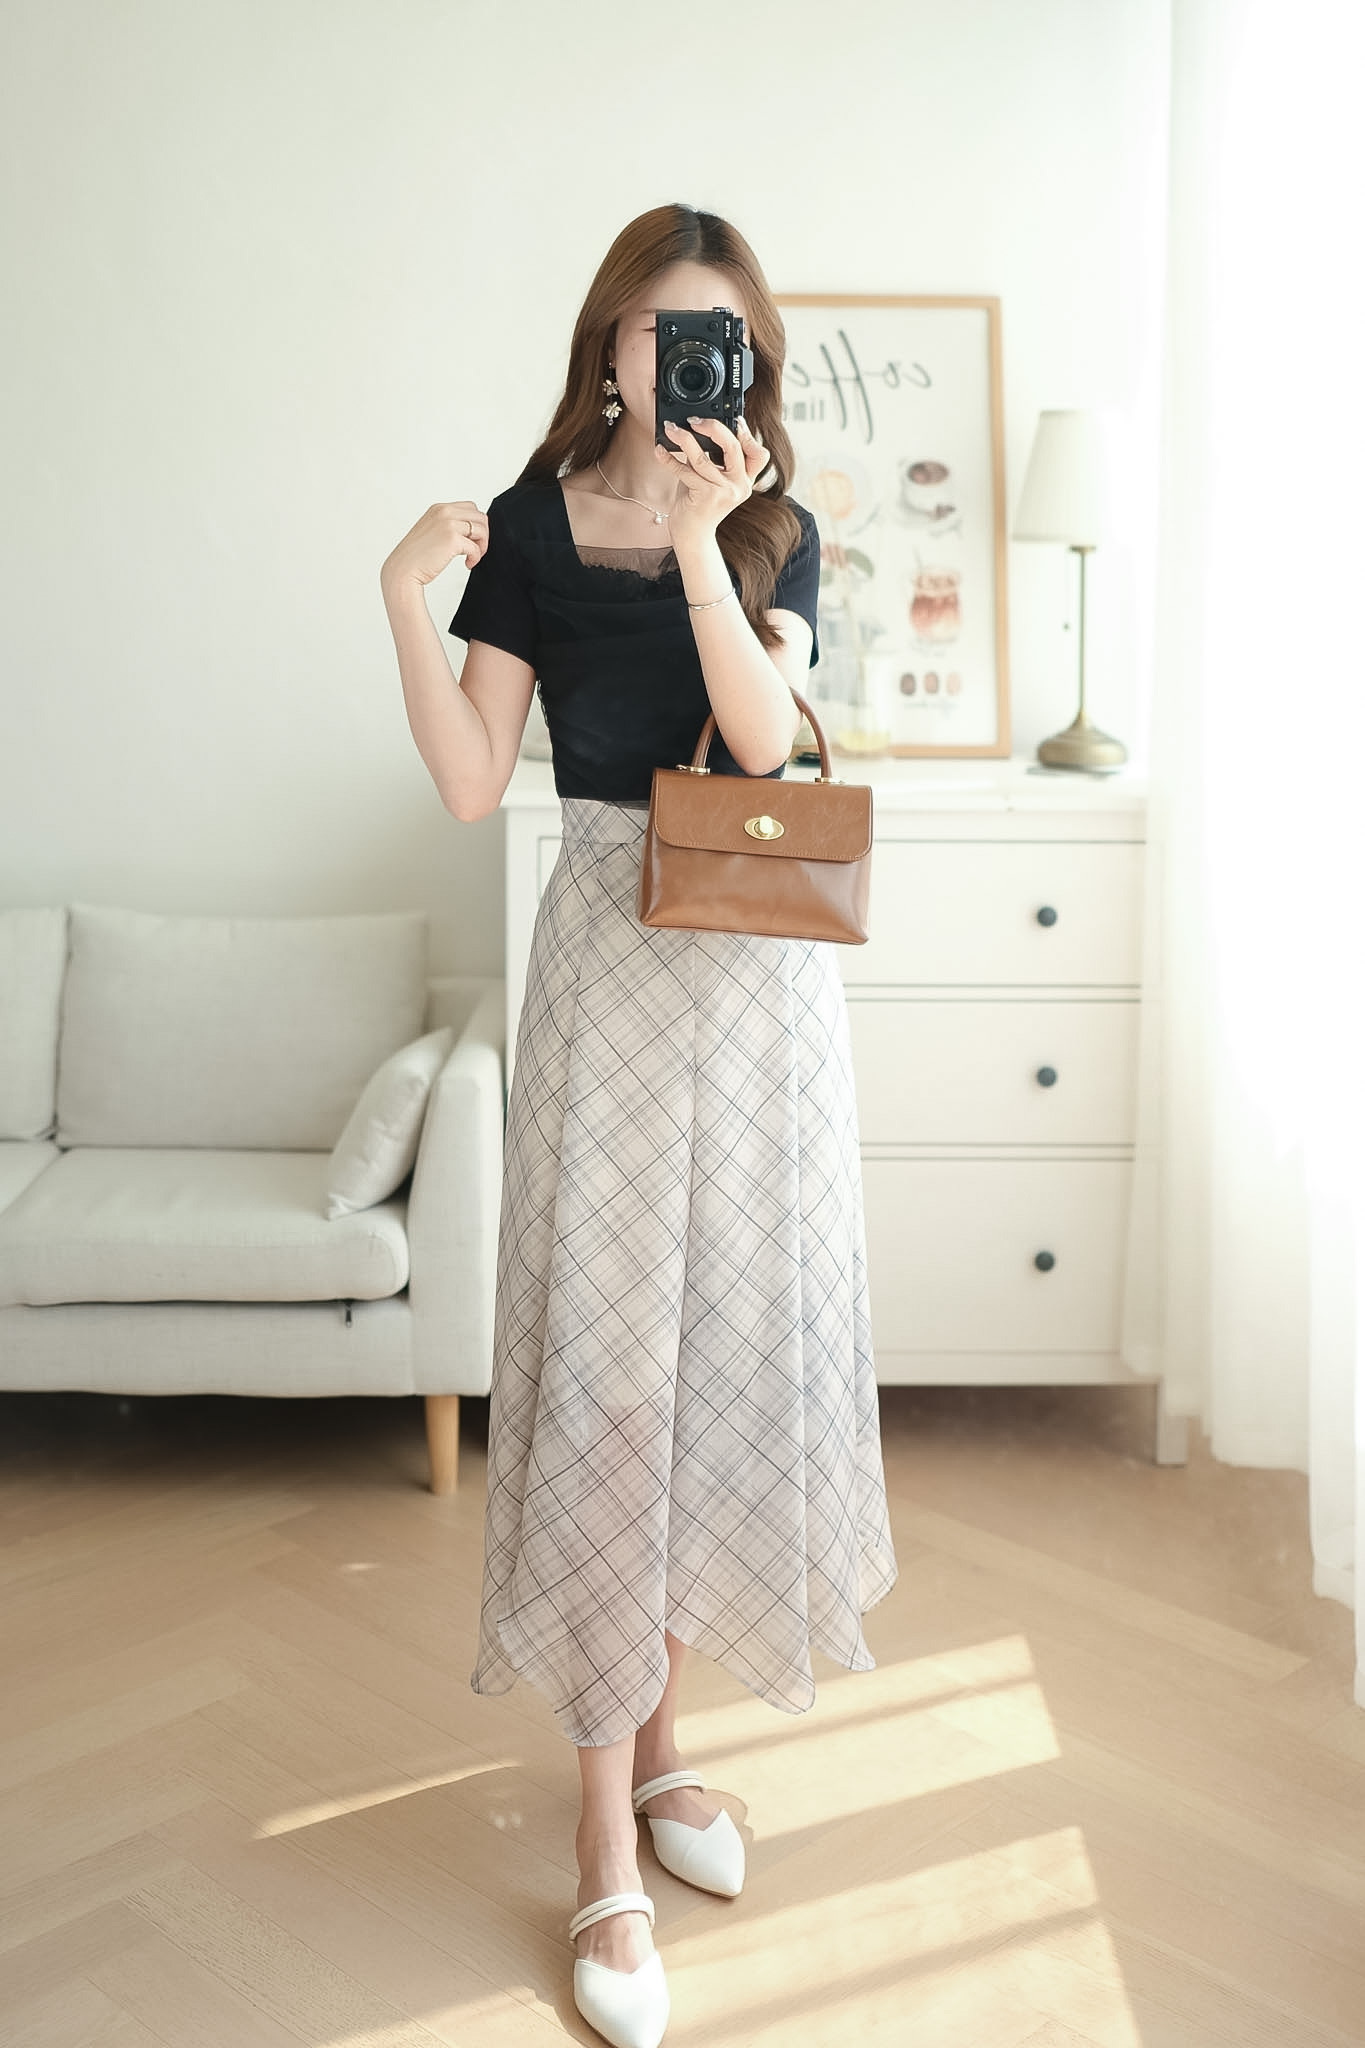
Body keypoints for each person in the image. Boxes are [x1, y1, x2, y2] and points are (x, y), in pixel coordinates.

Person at [380, 202, 898, 2048]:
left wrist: (695, 542)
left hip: (755, 989)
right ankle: (605, 1828)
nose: (688, 365)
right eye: (662, 333)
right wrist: (401, 603)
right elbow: (471, 781)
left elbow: (759, 748)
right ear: (607, 343)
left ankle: (666, 1751)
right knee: (609, 1392)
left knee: (720, 1374)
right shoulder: (526, 530)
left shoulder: (771, 526)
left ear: (742, 363)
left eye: (719, 342)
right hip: (607, 962)